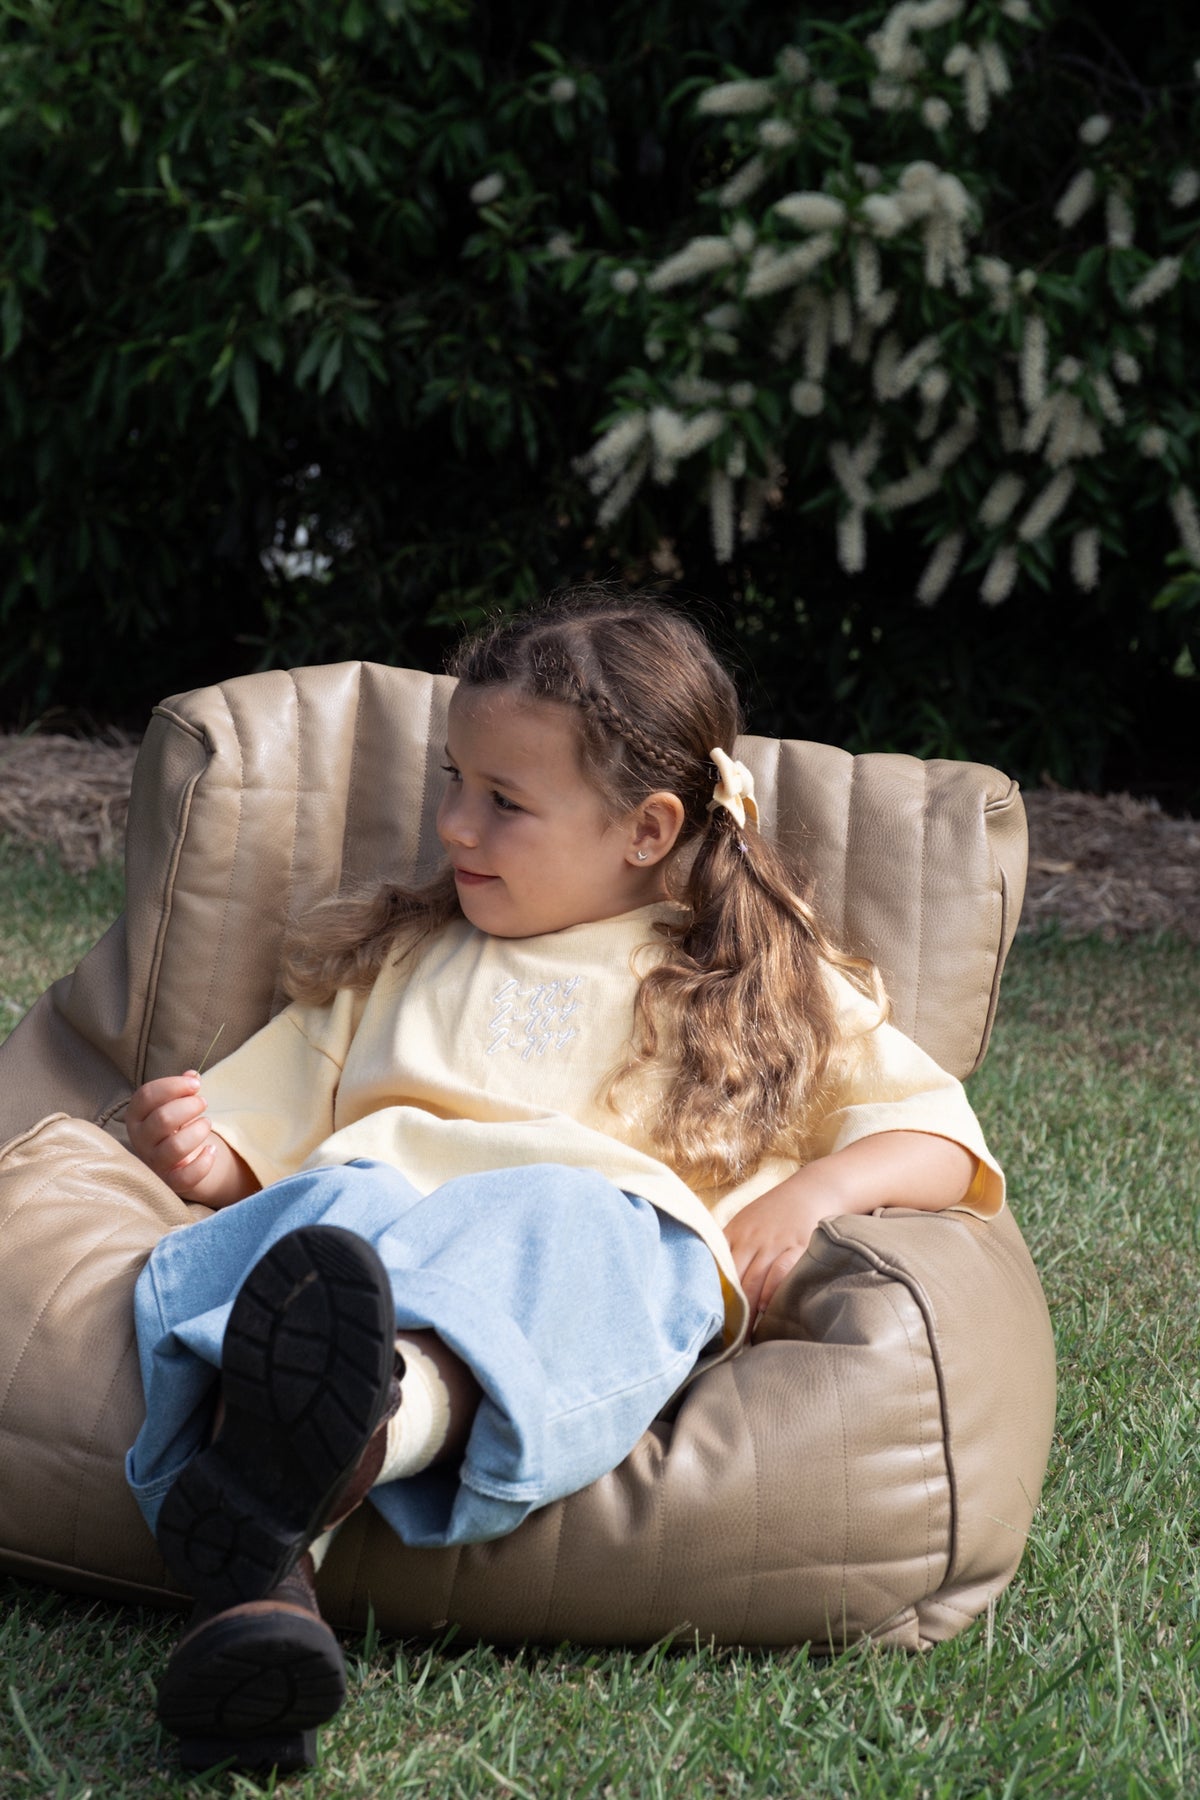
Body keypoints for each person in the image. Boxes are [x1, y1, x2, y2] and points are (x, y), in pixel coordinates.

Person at [124, 590, 1003, 1772]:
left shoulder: (754, 982)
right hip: (377, 1226)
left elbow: (938, 1135)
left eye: (504, 802)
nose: (453, 825)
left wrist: (807, 1198)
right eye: (453, 782)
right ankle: (262, 1608)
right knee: (335, 1221)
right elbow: (270, 1138)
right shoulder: (402, 956)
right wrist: (206, 1152)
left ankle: (347, 1430)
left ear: (645, 829)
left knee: (568, 1217)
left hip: (580, 1250)